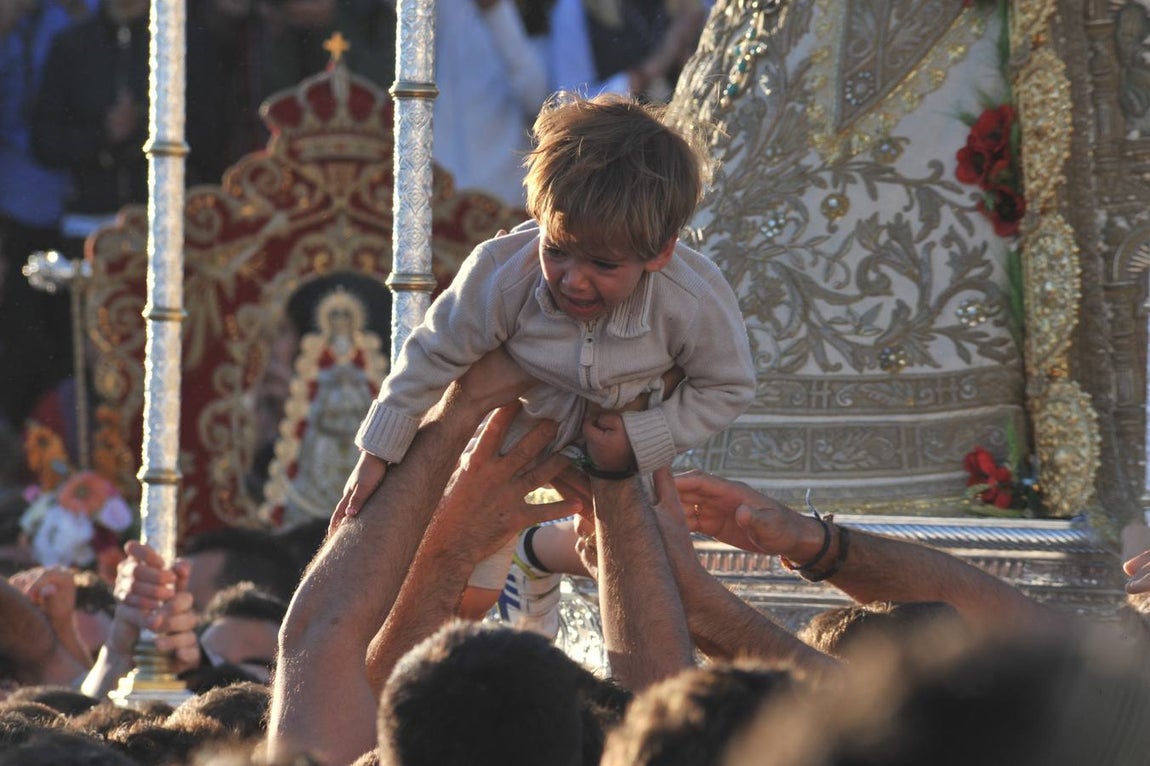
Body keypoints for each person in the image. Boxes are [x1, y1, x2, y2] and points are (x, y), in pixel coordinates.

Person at [336, 91, 755, 528]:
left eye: (603, 264)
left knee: (645, 546)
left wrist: (643, 437)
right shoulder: (503, 270)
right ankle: (522, 573)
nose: (573, 280)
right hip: (520, 425)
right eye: (556, 250)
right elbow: (433, 351)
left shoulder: (691, 296)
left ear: (659, 253)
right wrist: (378, 452)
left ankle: (553, 555)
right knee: (465, 554)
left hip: (626, 441)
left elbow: (727, 386)